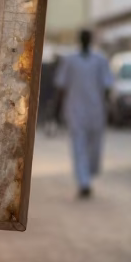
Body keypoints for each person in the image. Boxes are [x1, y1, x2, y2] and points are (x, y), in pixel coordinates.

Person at [54, 30, 114, 197]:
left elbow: (107, 86)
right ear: (81, 40)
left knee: (94, 148)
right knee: (78, 147)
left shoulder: (100, 60)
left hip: (96, 110)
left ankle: (88, 174)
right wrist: (56, 112)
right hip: (75, 110)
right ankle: (84, 183)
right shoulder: (69, 60)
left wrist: (108, 108)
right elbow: (61, 86)